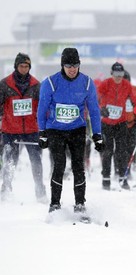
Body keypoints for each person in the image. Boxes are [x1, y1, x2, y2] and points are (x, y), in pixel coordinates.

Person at [37, 47, 104, 214]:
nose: (72, 69)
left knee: (78, 166)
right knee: (59, 165)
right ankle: (54, 204)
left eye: (75, 65)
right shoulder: (50, 83)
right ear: (62, 66)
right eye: (68, 66)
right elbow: (42, 109)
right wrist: (42, 132)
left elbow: (94, 110)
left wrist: (97, 134)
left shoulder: (87, 83)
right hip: (55, 130)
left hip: (77, 129)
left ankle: (80, 203)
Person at [0, 53, 46, 202]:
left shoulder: (36, 85)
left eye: (27, 66)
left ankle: (40, 192)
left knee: (36, 161)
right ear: (16, 66)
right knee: (9, 162)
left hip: (31, 130)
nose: (24, 69)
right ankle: (6, 191)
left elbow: (42, 107)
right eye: (21, 66)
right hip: (10, 131)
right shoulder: (5, 84)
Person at [97, 62, 136, 190]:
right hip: (107, 123)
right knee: (108, 151)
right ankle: (106, 179)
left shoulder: (126, 85)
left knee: (122, 151)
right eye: (116, 74)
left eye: (120, 74)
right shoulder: (106, 83)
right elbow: (95, 97)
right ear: (111, 73)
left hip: (120, 123)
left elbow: (134, 100)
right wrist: (101, 108)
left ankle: (123, 178)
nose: (118, 77)